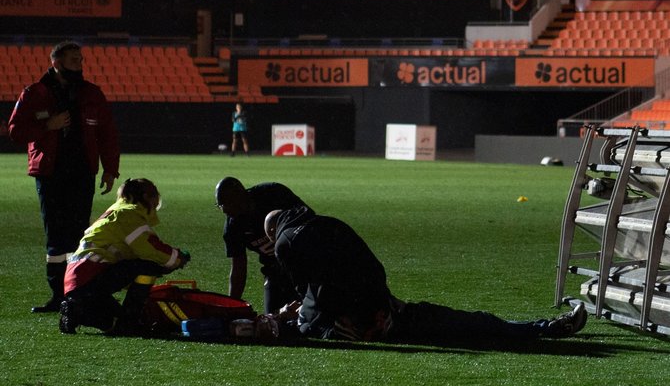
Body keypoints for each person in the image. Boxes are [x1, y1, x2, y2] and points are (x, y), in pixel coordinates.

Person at [263, 207, 587, 344]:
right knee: (464, 325)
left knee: (464, 326)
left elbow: (319, 296)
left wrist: (292, 314)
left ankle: (542, 329)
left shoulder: (290, 248)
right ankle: (542, 329)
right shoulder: (328, 227)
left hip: (378, 319)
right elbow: (359, 271)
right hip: (386, 313)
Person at [8, 41, 120, 313]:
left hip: (82, 172)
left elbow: (107, 132)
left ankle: (76, 292)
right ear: (56, 63)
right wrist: (48, 125)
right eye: (73, 60)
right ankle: (59, 296)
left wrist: (110, 168)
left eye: (81, 60)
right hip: (51, 172)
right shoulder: (34, 93)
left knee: (79, 233)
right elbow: (15, 131)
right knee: (56, 236)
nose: (80, 64)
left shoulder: (91, 93)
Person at [59, 178, 190, 335]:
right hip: (90, 276)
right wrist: (177, 258)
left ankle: (75, 310)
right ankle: (84, 310)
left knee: (115, 324)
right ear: (147, 196)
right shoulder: (129, 215)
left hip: (80, 279)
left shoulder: (117, 211)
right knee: (148, 267)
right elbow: (151, 249)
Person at [215, 177, 312, 315]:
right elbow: (239, 267)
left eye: (227, 203)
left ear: (240, 196)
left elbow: (307, 217)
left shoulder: (272, 194)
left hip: (301, 263)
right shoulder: (233, 227)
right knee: (272, 317)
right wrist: (233, 304)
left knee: (311, 312)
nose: (224, 210)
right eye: (220, 206)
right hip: (274, 270)